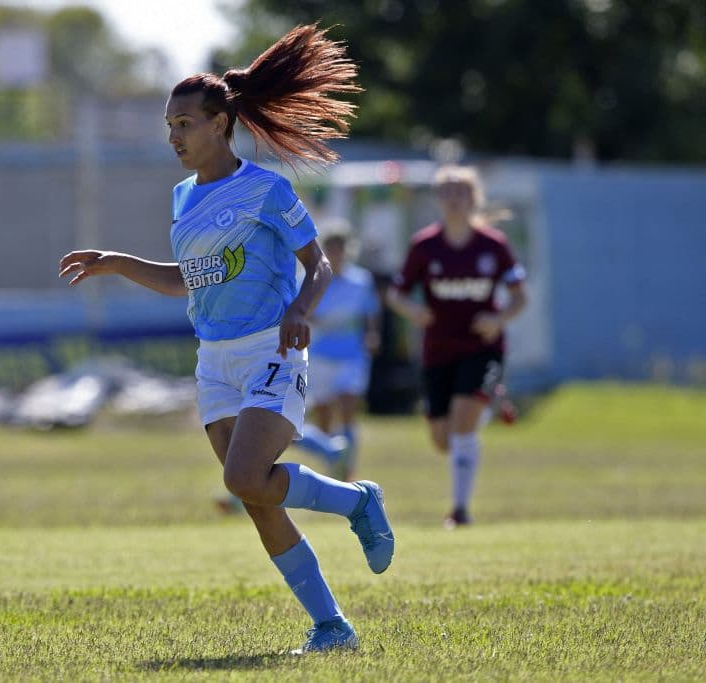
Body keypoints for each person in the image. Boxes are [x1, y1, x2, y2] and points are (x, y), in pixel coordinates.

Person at [58, 24, 394, 655]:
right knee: (257, 496)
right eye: (169, 125)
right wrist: (116, 262)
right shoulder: (184, 196)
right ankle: (332, 626)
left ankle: (356, 503)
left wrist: (300, 309)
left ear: (220, 124)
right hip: (214, 362)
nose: (173, 136)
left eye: (184, 123)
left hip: (271, 347)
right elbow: (189, 280)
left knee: (245, 477)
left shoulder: (267, 189)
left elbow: (319, 263)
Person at [385, 165, 528, 528]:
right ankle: (483, 410)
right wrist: (414, 309)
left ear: (474, 198)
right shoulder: (425, 246)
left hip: (483, 348)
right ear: (438, 200)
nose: (453, 200)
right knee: (442, 440)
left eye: (461, 193)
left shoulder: (493, 246)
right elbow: (396, 294)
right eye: (446, 193)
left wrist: (498, 319)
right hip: (438, 350)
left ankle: (460, 510)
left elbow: (519, 297)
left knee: (463, 423)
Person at [304, 228, 382, 481]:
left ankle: (347, 469)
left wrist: (372, 334)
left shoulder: (361, 280)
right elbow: (301, 310)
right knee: (324, 413)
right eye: (331, 248)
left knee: (348, 405)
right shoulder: (312, 279)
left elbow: (371, 312)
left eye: (340, 248)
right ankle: (332, 463)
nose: (336, 254)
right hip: (320, 354)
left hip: (352, 355)